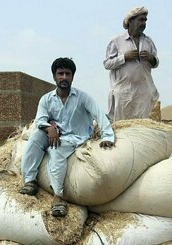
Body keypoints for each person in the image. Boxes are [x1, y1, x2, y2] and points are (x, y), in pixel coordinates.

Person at [19, 57, 115, 217]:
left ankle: (58, 197)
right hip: (53, 135)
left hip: (75, 138)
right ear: (54, 76)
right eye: (60, 73)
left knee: (56, 150)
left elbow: (99, 116)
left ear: (72, 76)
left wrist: (108, 137)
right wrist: (49, 128)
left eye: (67, 74)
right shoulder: (46, 99)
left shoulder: (83, 98)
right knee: (35, 136)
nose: (64, 77)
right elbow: (40, 120)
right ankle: (30, 181)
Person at [104, 6, 159, 121]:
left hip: (144, 91)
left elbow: (156, 63)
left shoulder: (149, 42)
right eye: (140, 20)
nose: (143, 23)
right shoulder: (116, 41)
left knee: (142, 127)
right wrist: (124, 57)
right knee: (122, 126)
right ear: (130, 21)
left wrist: (151, 58)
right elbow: (107, 64)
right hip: (123, 93)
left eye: (145, 20)